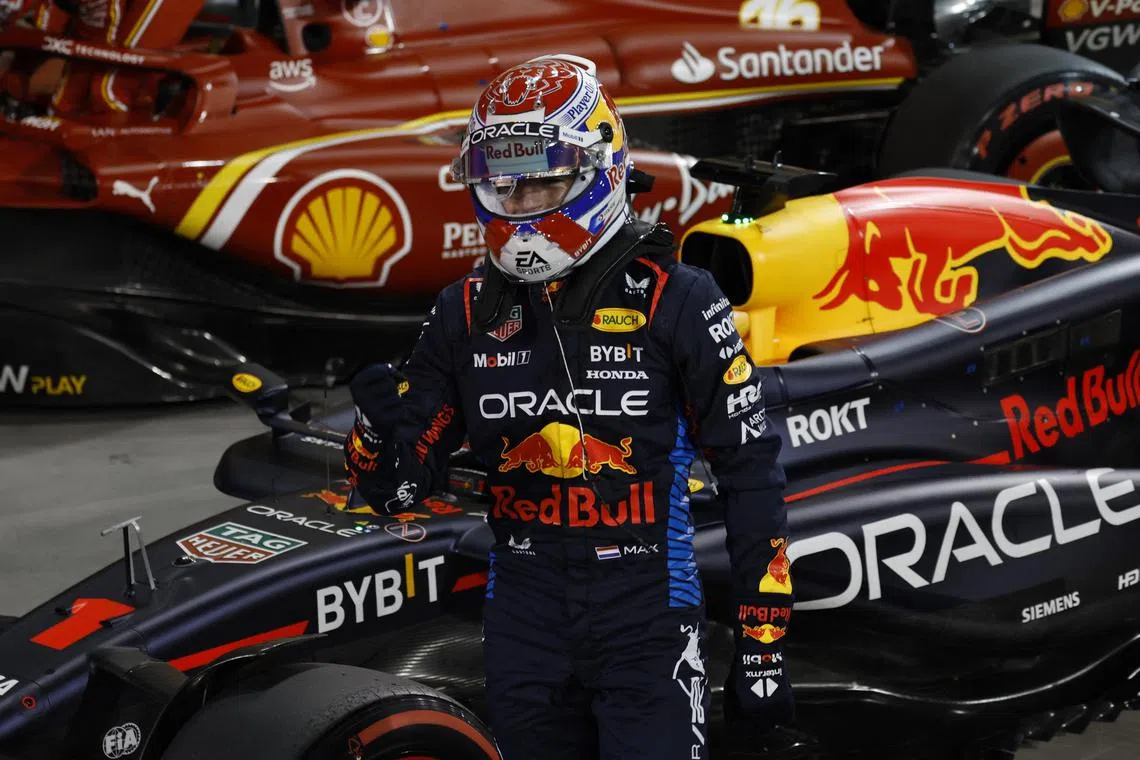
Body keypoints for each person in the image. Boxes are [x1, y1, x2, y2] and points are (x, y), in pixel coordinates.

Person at [344, 52, 793, 759]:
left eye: (539, 185)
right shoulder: (461, 310)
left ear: (597, 169)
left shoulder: (680, 298)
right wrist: (373, 429)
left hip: (648, 612)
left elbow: (752, 475)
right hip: (524, 617)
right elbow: (396, 488)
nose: (517, 209)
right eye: (501, 187)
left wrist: (763, 642)